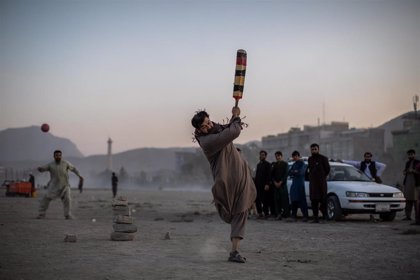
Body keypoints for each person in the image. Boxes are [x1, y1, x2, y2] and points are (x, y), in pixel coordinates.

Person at [191, 107, 256, 263]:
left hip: (241, 176)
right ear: (199, 130)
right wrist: (236, 117)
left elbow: (228, 128)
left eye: (208, 122)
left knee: (241, 211)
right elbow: (233, 132)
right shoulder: (207, 141)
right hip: (227, 181)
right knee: (232, 212)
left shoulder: (217, 129)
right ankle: (234, 249)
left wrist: (234, 116)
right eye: (204, 127)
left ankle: (235, 251)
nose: (208, 127)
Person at [36, 150, 84, 220]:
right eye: (56, 155)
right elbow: (44, 168)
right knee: (46, 198)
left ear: (61, 156)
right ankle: (42, 214)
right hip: (54, 186)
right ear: (54, 156)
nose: (58, 156)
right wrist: (40, 169)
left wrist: (79, 175)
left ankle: (67, 215)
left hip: (65, 185)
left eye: (59, 155)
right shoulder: (51, 164)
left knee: (67, 199)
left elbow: (74, 169)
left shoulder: (66, 163)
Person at [307, 143, 330, 223]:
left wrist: (321, 176)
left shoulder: (323, 158)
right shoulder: (310, 159)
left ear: (318, 149)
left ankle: (325, 217)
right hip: (313, 184)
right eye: (312, 149)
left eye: (315, 149)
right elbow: (309, 170)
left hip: (321, 183)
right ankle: (315, 218)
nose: (313, 150)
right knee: (314, 201)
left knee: (323, 200)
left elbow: (327, 170)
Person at [288, 150, 308, 222]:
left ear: (299, 156)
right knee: (294, 201)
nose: (295, 157)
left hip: (300, 185)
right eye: (294, 156)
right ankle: (294, 216)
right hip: (294, 184)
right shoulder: (294, 164)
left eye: (296, 156)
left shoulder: (302, 163)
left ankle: (305, 216)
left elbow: (301, 172)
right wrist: (295, 171)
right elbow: (289, 172)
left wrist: (295, 172)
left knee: (302, 200)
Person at [402, 149, 420, 225]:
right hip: (408, 184)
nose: (410, 156)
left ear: (414, 154)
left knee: (416, 201)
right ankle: (408, 216)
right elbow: (404, 172)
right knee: (408, 201)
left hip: (415, 184)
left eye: (411, 154)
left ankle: (417, 218)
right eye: (409, 154)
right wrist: (406, 172)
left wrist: (413, 171)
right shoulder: (407, 163)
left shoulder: (418, 162)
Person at [254, 150, 273, 218]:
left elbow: (269, 175)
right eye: (260, 155)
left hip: (265, 185)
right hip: (258, 186)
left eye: (262, 155)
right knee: (257, 200)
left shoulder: (268, 164)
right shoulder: (258, 165)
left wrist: (267, 184)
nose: (261, 156)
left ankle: (266, 213)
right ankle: (260, 213)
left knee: (265, 200)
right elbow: (257, 176)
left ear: (265, 156)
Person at [271, 151, 290, 220]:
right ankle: (278, 214)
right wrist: (274, 182)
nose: (277, 157)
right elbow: (272, 175)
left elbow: (286, 174)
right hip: (275, 185)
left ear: (281, 156)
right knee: (276, 200)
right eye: (276, 156)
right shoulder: (274, 165)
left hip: (282, 185)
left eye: (278, 156)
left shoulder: (285, 164)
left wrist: (281, 182)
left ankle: (286, 215)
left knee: (284, 200)